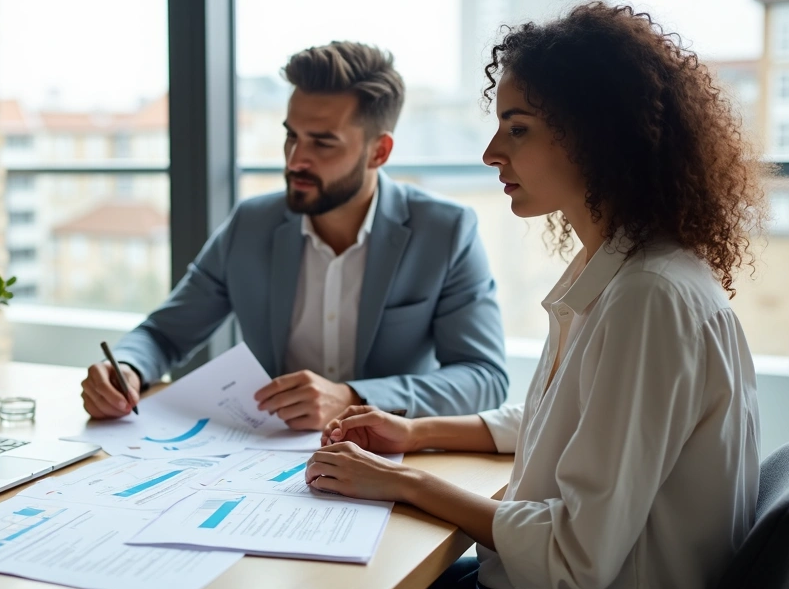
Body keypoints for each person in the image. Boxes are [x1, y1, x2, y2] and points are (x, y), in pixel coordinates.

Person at [305, 3, 768, 589]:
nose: (492, 151)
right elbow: (566, 420)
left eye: (518, 128)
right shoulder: (624, 268)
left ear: (601, 136)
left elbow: (573, 558)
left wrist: (406, 482)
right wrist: (415, 432)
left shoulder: (649, 299)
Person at [79, 41, 509, 430]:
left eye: (323, 143)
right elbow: (164, 334)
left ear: (378, 151)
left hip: (389, 462)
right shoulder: (250, 224)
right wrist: (127, 368)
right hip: (260, 461)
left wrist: (354, 398)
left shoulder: (445, 231)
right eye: (291, 136)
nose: (296, 160)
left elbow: (483, 377)